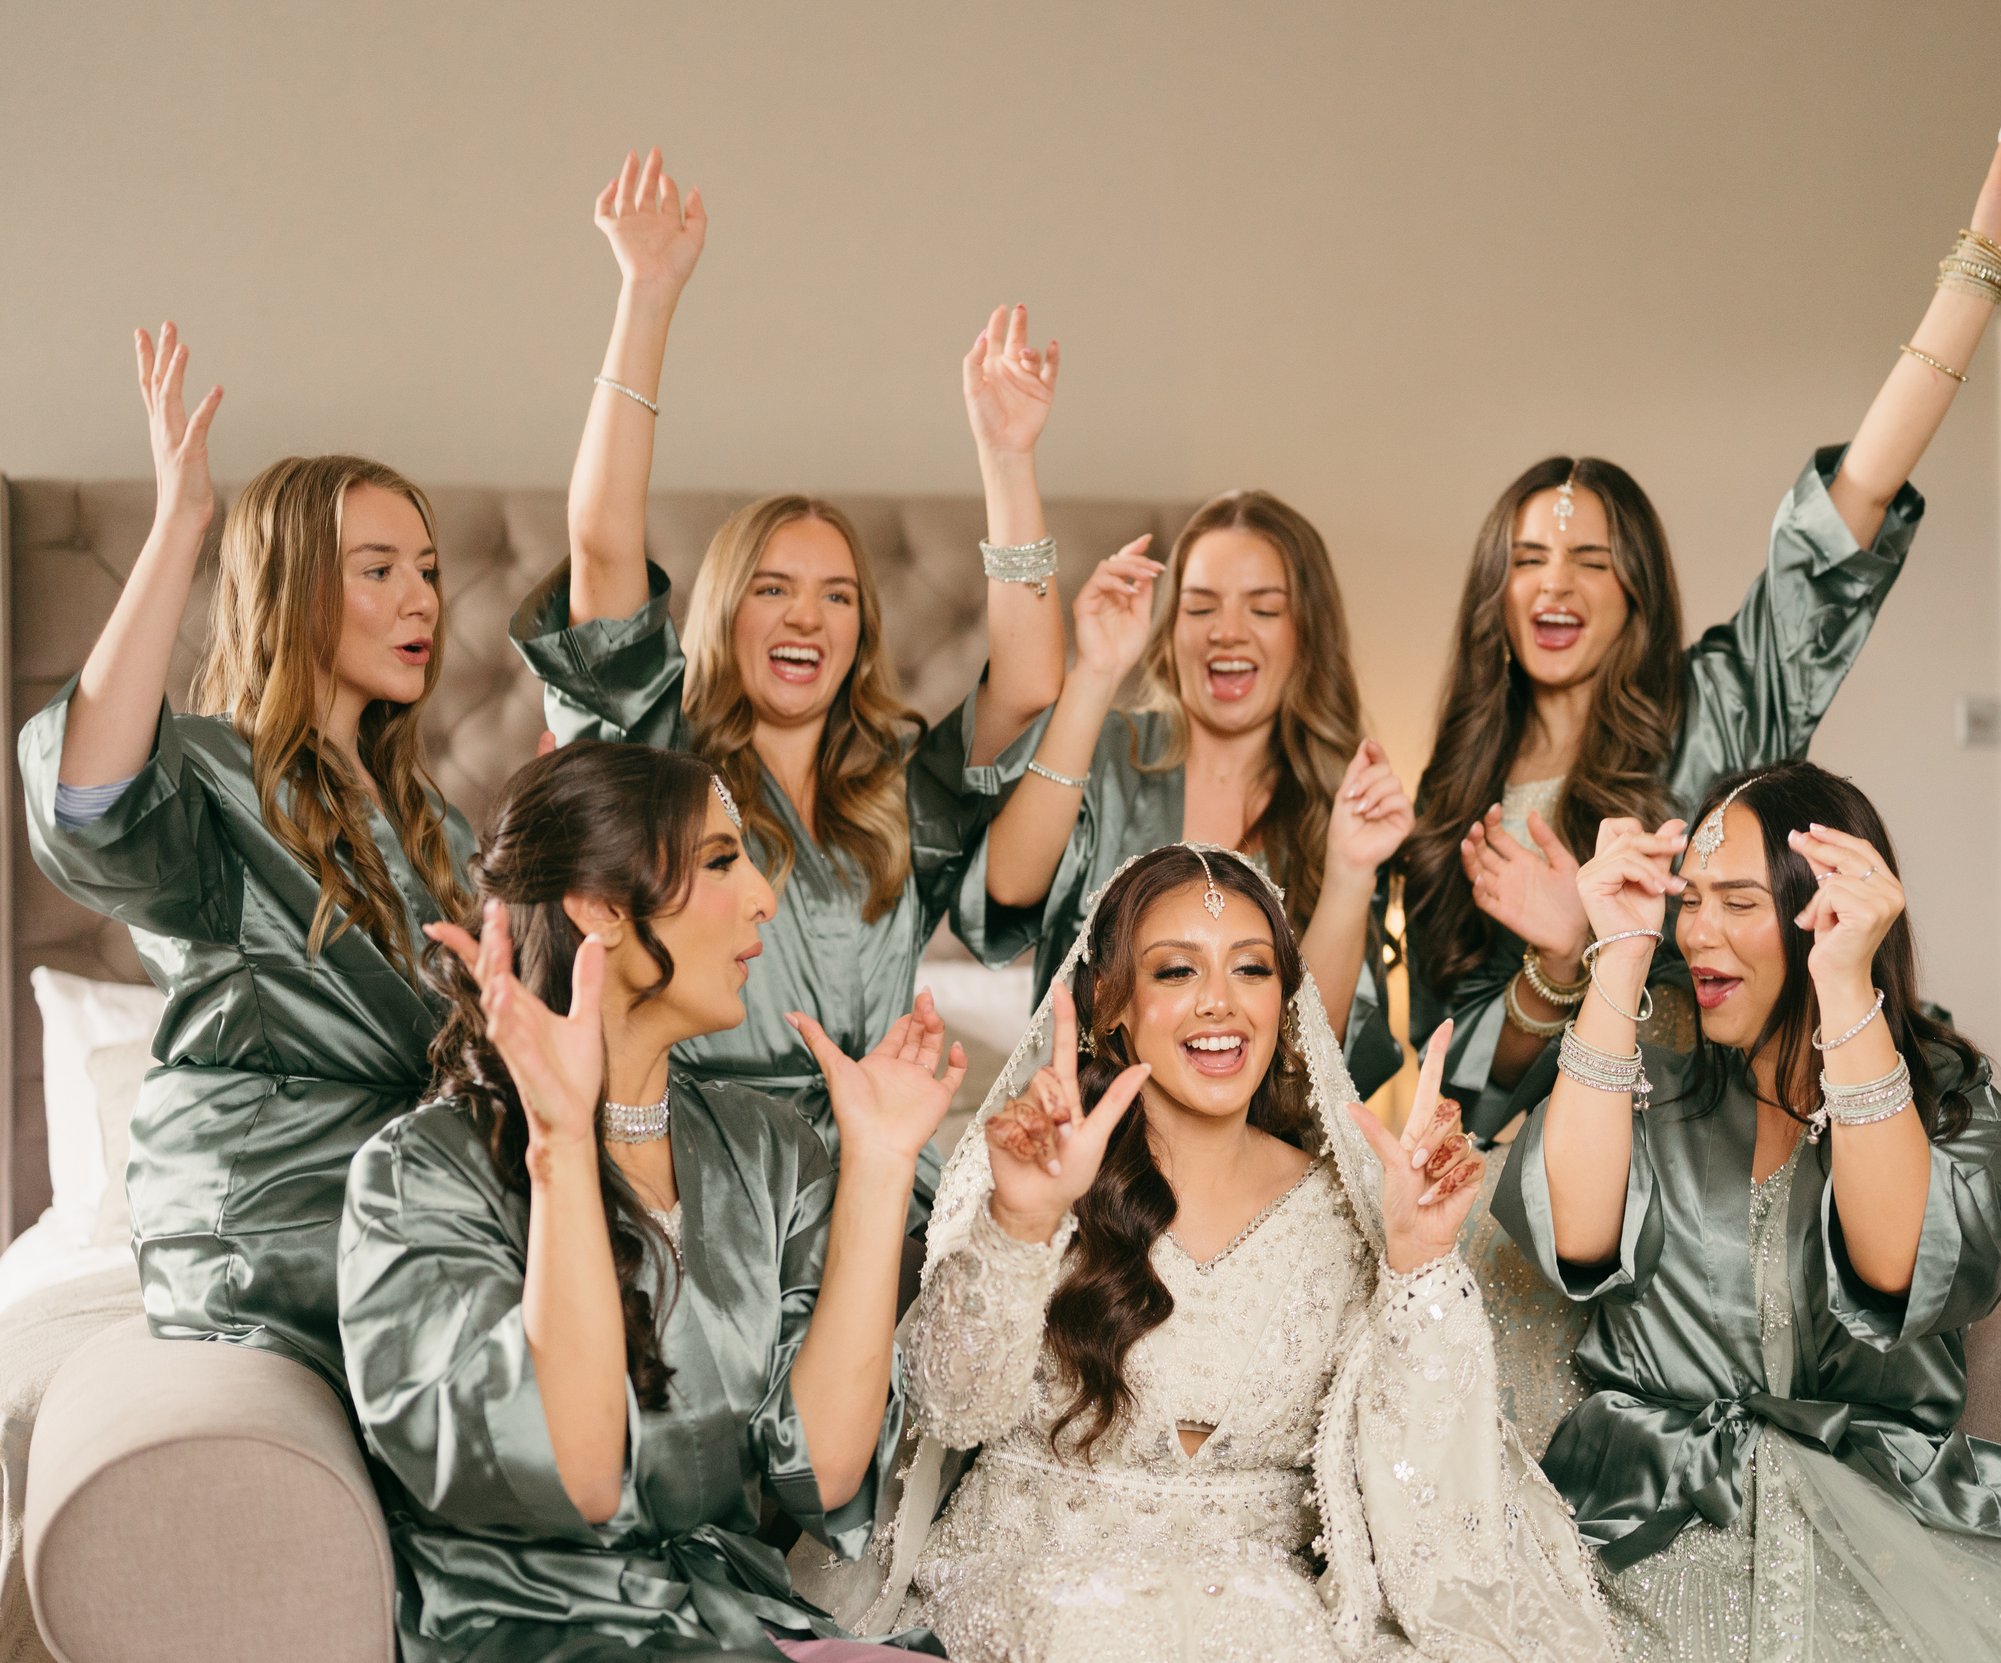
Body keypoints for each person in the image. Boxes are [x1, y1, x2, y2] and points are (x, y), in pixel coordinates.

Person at [1403, 124, 2001, 1138]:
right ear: (1493, 593)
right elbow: (1459, 1087)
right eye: (1526, 561)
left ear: (1636, 591)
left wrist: (1976, 275)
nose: (1556, 586)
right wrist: (1556, 964)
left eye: (1592, 562)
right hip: (1550, 1192)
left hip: (1716, 1164)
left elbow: (1847, 509)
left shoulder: (1720, 710)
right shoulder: (1457, 795)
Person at [808, 845, 1612, 1660]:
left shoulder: (1347, 1209)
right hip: (1031, 1592)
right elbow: (949, 1409)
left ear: (1286, 1000)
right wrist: (1021, 1221)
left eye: (1252, 969)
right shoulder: (1033, 1168)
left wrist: (1419, 1262)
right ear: (1111, 1004)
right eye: (1176, 972)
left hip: (1267, 1622)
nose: (1220, 1004)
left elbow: (1421, 1491)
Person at [1493, 761, 2001, 1660]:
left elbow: (1896, 1266)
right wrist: (1622, 953)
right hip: (1642, 1505)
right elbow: (1574, 1234)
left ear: (1819, 914)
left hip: (1877, 1505)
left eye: (1740, 902)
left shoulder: (1949, 1100)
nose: (1701, 932)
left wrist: (1844, 979)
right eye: (1693, 899)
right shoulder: (1653, 1069)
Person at [339, 741, 958, 1661]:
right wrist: (558, 1145)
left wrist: (874, 1161)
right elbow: (577, 1473)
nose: (764, 897)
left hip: (735, 1618)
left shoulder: (769, 1147)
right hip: (536, 1629)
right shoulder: (417, 1176)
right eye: (720, 860)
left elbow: (821, 1473)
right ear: (600, 909)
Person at [510, 150, 1061, 1172]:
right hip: (702, 1164)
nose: (807, 615)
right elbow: (598, 547)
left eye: (838, 594)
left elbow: (1028, 683)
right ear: (724, 611)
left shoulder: (896, 793)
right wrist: (646, 297)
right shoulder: (659, 762)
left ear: (860, 635)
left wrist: (1008, 458)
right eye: (774, 587)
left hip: (879, 1171)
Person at [17, 322, 472, 1395]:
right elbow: (86, 800)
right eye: (379, 570)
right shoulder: (214, 782)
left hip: (403, 1192)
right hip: (269, 1207)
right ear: (296, 583)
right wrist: (181, 526)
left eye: (429, 570)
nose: (421, 598)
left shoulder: (429, 822)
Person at [960, 419, 1413, 1093]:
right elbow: (1008, 886)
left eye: (1263, 609)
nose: (1227, 632)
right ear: (1171, 632)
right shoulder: (1110, 752)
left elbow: (1311, 1061)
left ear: (1305, 634)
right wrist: (1094, 672)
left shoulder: (1334, 807)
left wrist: (1350, 871)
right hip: (1086, 1140)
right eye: (1200, 607)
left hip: (1260, 1161)